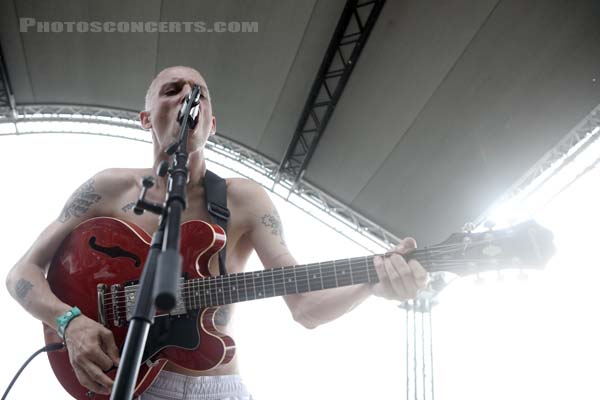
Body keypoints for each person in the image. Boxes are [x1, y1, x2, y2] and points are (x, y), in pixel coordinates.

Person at [5, 66, 427, 399]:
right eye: (172, 90)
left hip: (216, 388)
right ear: (145, 118)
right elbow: (22, 273)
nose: (188, 97)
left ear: (211, 123)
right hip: (125, 381)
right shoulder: (107, 187)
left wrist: (371, 282)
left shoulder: (245, 200)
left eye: (198, 93)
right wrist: (69, 322)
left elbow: (306, 308)